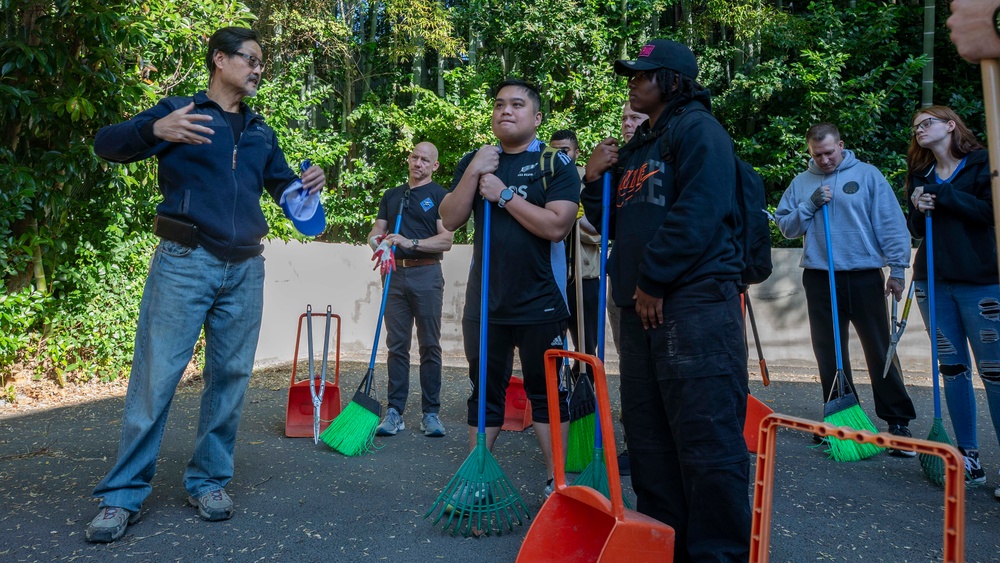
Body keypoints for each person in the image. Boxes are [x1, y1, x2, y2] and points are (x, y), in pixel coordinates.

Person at [84, 27, 326, 543]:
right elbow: (107, 144)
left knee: (231, 377)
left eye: (263, 62)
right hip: (184, 260)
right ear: (220, 59)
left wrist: (305, 187)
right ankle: (122, 495)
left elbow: (284, 189)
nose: (259, 69)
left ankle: (209, 480)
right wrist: (155, 130)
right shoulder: (180, 111)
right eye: (251, 59)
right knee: (155, 379)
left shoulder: (261, 132)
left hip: (245, 267)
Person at [582, 39, 751, 561]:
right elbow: (607, 218)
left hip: (693, 304)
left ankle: (718, 553)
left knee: (706, 440)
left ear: (674, 80)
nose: (632, 81)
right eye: (631, 73)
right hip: (640, 308)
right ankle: (665, 544)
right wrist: (593, 176)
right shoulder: (640, 146)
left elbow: (699, 210)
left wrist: (653, 279)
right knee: (650, 441)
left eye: (644, 74)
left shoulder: (699, 130)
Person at [439, 79, 578, 496]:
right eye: (499, 104)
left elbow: (557, 226)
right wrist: (474, 171)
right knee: (483, 394)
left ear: (536, 118)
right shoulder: (479, 159)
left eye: (517, 105)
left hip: (541, 301)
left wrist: (502, 196)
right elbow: (449, 218)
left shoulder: (555, 164)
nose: (506, 111)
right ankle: (476, 479)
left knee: (547, 394)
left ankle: (558, 483)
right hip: (485, 304)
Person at [775, 123, 917, 455]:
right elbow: (786, 227)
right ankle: (841, 418)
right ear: (810, 151)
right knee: (829, 350)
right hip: (821, 276)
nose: (824, 160)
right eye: (817, 154)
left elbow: (890, 223)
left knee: (880, 347)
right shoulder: (801, 184)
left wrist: (896, 270)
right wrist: (810, 204)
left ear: (841, 144)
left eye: (829, 152)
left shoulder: (867, 176)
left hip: (864, 274)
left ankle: (898, 421)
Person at [905, 105, 1000, 492]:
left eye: (926, 123)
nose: (919, 131)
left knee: (994, 374)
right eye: (915, 128)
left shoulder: (983, 163)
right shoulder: (919, 174)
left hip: (981, 283)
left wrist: (941, 196)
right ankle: (968, 457)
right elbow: (916, 229)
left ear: (949, 124)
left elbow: (989, 213)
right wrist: (918, 206)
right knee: (953, 371)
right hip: (933, 281)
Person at [367, 142, 454, 438]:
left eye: (425, 160)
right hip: (394, 275)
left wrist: (409, 242)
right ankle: (395, 412)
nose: (418, 163)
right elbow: (376, 231)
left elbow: (446, 241)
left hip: (426, 273)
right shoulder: (392, 195)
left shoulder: (442, 196)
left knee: (430, 344)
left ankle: (431, 413)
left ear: (434, 166)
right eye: (415, 157)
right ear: (409, 158)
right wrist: (380, 245)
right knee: (397, 346)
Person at [611, 101, 648, 477]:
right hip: (622, 282)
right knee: (631, 368)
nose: (627, 123)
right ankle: (632, 442)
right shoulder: (619, 163)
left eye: (634, 118)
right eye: (623, 118)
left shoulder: (661, 160)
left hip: (660, 285)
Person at [548, 130, 600, 375]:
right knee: (550, 342)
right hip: (551, 277)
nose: (560, 156)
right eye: (555, 151)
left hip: (583, 275)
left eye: (565, 151)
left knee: (586, 344)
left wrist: (573, 220)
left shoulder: (587, 182)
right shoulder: (543, 179)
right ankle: (556, 395)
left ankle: (587, 394)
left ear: (577, 153)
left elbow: (602, 229)